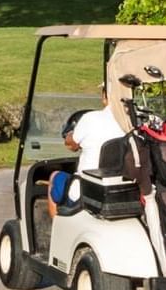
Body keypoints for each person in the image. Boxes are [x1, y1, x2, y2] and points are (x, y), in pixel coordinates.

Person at [49, 84, 126, 215]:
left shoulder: (90, 118)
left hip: (88, 191)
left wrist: (70, 135)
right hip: (122, 190)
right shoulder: (131, 123)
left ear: (104, 97)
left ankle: (55, 230)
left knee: (54, 176)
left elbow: (71, 145)